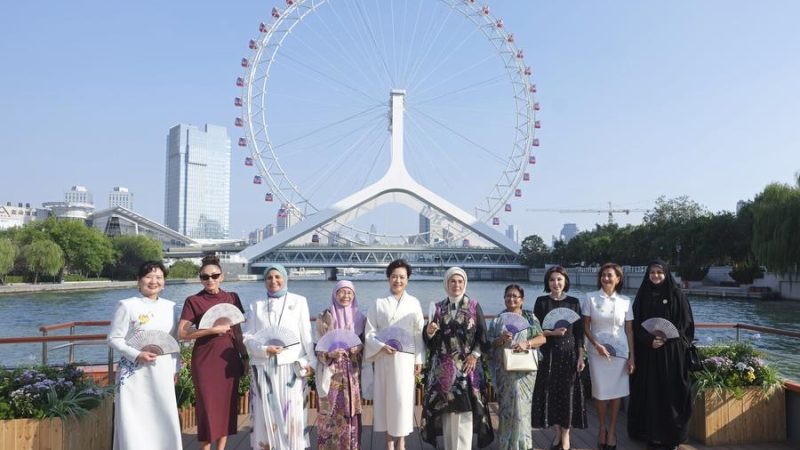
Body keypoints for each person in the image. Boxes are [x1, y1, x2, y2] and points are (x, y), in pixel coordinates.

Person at [108, 261, 182, 450]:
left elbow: (175, 342)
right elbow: (114, 338)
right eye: (149, 276)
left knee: (163, 416)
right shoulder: (127, 305)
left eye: (159, 277)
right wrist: (136, 354)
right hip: (134, 373)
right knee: (133, 419)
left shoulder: (172, 307)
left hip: (162, 371)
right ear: (139, 280)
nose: (154, 281)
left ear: (164, 282)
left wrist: (176, 368)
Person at [178, 255, 247, 450]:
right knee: (207, 407)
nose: (210, 280)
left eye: (214, 276)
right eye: (205, 277)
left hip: (229, 357)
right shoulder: (193, 300)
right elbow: (182, 333)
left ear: (222, 277)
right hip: (205, 359)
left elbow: (238, 332)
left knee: (226, 405)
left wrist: (245, 357)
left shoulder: (232, 298)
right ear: (200, 278)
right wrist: (211, 330)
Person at [243, 263, 315, 450]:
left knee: (291, 412)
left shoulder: (299, 301)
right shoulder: (255, 305)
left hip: (291, 367)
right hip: (263, 367)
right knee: (264, 412)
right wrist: (263, 348)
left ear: (285, 278)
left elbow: (306, 335)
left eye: (277, 277)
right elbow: (248, 336)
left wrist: (310, 361)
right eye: (269, 277)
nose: (273, 281)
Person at [421, 267, 494, 449]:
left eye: (460, 281)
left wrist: (474, 356)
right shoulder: (438, 308)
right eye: (453, 281)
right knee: (447, 412)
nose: (457, 285)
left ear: (465, 283)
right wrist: (428, 332)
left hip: (467, 368)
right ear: (446, 283)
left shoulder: (473, 306)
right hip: (444, 370)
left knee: (465, 413)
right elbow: (432, 341)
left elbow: (482, 336)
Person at [628, 260, 695, 450]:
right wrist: (649, 339)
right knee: (651, 394)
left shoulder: (677, 295)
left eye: (659, 272)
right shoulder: (642, 296)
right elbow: (636, 324)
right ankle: (652, 435)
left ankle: (671, 437)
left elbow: (685, 324)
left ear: (666, 274)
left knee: (671, 393)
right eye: (652, 273)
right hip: (648, 353)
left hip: (672, 355)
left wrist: (668, 339)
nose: (655, 275)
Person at [364, 259, 425, 450]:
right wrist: (381, 346)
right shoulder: (378, 303)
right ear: (388, 278)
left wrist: (419, 359)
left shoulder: (414, 303)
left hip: (405, 359)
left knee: (403, 400)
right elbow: (370, 332)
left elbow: (418, 333)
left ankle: (402, 441)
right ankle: (389, 441)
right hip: (384, 357)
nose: (397, 280)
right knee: (386, 399)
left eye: (402, 277)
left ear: (407, 280)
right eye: (394, 277)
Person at [532, 266, 587, 450]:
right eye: (552, 280)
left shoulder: (574, 302)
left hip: (569, 355)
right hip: (549, 355)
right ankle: (557, 433)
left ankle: (566, 435)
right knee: (552, 395)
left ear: (565, 281)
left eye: (559, 279)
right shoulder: (541, 302)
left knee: (568, 395)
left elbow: (579, 334)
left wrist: (581, 357)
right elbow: (536, 330)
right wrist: (552, 332)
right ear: (548, 283)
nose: (556, 283)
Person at [582, 262, 635, 450]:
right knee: (601, 393)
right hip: (597, 351)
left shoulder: (626, 301)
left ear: (618, 279)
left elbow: (629, 330)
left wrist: (632, 357)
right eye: (603, 275)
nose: (606, 278)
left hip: (620, 351)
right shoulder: (590, 298)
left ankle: (611, 431)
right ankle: (602, 428)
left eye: (610, 275)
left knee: (616, 393)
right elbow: (586, 326)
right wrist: (596, 345)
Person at [488, 284, 546, 450]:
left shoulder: (529, 317)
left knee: (523, 407)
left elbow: (542, 338)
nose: (511, 299)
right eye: (508, 296)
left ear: (522, 300)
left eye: (515, 296)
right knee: (506, 407)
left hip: (525, 371)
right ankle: (506, 444)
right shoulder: (498, 319)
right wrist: (501, 339)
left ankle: (523, 444)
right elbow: (490, 344)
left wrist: (526, 343)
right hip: (505, 369)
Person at [315, 280, 366, 450]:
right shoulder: (324, 317)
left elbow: (365, 344)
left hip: (351, 372)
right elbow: (317, 346)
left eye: (349, 292)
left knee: (351, 409)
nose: (346, 296)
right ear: (335, 294)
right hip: (331, 372)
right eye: (341, 292)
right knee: (330, 409)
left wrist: (358, 347)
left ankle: (351, 445)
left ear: (354, 295)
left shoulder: (361, 318)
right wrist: (329, 354)